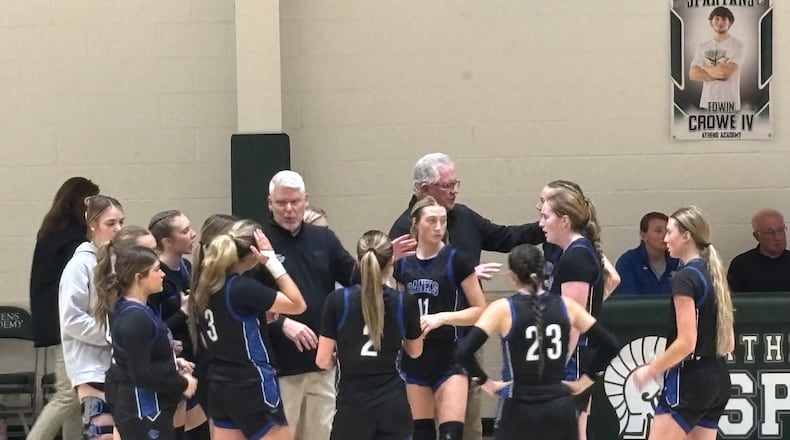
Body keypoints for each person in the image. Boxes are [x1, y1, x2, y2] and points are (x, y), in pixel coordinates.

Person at [389, 152, 544, 440]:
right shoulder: (404, 231)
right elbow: (395, 285)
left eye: (455, 183)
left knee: (464, 419)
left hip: (462, 335)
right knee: (421, 426)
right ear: (424, 190)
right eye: (447, 186)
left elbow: (504, 236)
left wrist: (544, 228)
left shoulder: (464, 216)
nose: (454, 191)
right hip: (419, 344)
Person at [259, 170, 415, 440]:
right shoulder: (259, 243)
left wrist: (381, 262)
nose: (288, 209)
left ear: (305, 201)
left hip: (322, 364)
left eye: (295, 202)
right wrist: (283, 322)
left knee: (321, 434)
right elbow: (249, 297)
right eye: (281, 203)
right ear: (270, 203)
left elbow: (355, 278)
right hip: (280, 363)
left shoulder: (323, 238)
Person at [456, 244, 619, 440]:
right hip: (560, 408)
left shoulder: (502, 309)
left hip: (519, 407)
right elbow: (609, 344)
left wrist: (486, 383)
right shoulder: (566, 306)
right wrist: (585, 381)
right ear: (544, 272)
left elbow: (463, 351)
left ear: (512, 276)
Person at [192, 219, 306, 440]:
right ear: (254, 253)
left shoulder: (207, 285)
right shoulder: (242, 288)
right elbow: (298, 304)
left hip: (219, 381)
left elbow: (233, 321)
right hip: (251, 381)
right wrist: (272, 261)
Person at [632, 206, 735, 440]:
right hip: (718, 378)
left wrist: (651, 369)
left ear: (686, 236)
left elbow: (687, 342)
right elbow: (728, 343)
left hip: (689, 380)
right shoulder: (714, 273)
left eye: (669, 232)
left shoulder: (684, 278)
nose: (665, 239)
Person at [393, 196, 486, 440]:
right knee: (421, 433)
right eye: (431, 221)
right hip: (415, 357)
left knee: (451, 433)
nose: (438, 227)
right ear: (416, 224)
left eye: (442, 221)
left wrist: (441, 318)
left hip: (450, 357)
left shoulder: (457, 260)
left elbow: (480, 310)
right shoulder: (403, 265)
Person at [315, 230, 424, 440]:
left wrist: (340, 357)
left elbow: (322, 360)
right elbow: (415, 351)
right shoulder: (405, 302)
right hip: (393, 404)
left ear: (357, 260)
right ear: (392, 259)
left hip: (352, 407)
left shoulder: (337, 300)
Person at [94, 244, 198, 440]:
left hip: (150, 406)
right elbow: (140, 374)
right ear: (138, 277)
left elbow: (142, 355)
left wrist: (172, 363)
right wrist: (181, 383)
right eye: (157, 270)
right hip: (142, 409)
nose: (163, 275)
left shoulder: (140, 309)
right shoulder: (134, 317)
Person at [28, 177, 98, 440]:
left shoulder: (52, 232)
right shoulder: (73, 240)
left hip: (56, 322)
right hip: (65, 325)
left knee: (72, 399)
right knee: (67, 396)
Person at [539, 185, 608, 440]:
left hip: (573, 360)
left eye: (546, 217)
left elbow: (573, 323)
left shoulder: (576, 257)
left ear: (564, 220)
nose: (541, 223)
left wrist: (554, 367)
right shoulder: (578, 252)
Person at [58, 195, 124, 440]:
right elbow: (71, 319)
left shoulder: (114, 262)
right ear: (93, 225)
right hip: (90, 365)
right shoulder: (79, 265)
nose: (118, 229)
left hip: (115, 365)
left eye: (121, 222)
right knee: (101, 433)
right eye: (111, 223)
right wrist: (113, 333)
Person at [148, 210, 209, 439]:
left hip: (194, 358)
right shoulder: (154, 277)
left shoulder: (187, 267)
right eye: (184, 231)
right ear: (167, 242)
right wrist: (183, 312)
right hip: (172, 364)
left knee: (200, 428)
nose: (193, 234)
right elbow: (152, 326)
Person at [689, 6, 744, 112]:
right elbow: (693, 74)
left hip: (730, 104)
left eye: (724, 19)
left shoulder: (738, 45)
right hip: (707, 103)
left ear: (730, 22)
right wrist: (717, 70)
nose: (720, 22)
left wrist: (704, 67)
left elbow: (724, 73)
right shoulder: (703, 46)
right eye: (717, 18)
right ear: (711, 22)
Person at [614, 212, 680, 295]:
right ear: (643, 236)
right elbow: (627, 301)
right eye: (658, 231)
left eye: (668, 231)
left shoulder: (678, 261)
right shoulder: (628, 262)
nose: (665, 235)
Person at [727, 208, 790, 292]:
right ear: (757, 236)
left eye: (780, 230)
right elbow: (734, 301)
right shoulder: (741, 264)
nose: (777, 237)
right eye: (770, 232)